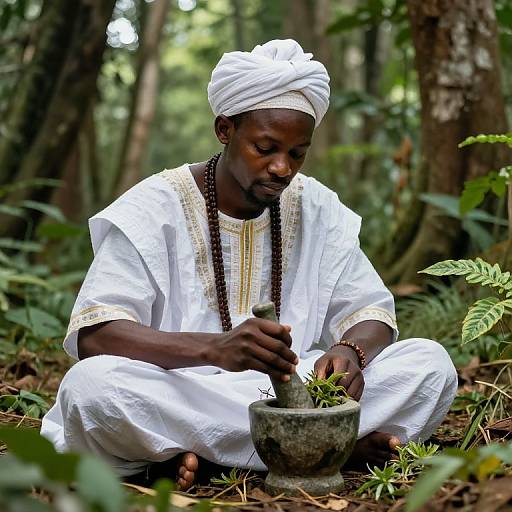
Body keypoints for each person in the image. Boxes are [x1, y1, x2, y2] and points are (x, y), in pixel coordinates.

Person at [41, 39, 457, 491]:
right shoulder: (153, 207)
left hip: (293, 395)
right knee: (91, 388)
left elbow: (371, 313)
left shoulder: (316, 206)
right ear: (225, 129)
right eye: (266, 147)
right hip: (183, 391)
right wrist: (214, 349)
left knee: (430, 365)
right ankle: (321, 450)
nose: (282, 167)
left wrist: (350, 353)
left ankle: (213, 458)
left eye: (298, 153)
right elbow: (96, 334)